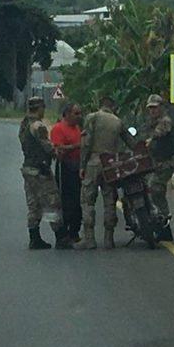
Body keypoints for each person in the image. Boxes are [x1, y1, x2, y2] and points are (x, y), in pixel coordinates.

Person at [75, 96, 135, 250]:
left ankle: (89, 239)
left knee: (88, 200)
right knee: (110, 201)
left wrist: (82, 165)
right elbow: (130, 142)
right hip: (111, 164)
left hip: (94, 162)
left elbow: (86, 143)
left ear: (100, 105)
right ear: (113, 107)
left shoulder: (92, 118)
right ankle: (109, 239)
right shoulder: (118, 121)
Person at [18, 97, 72, 250]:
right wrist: (57, 152)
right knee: (52, 202)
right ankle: (60, 236)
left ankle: (34, 237)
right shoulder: (38, 126)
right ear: (40, 108)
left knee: (33, 204)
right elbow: (47, 146)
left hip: (28, 168)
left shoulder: (24, 124)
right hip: (40, 170)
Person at [144, 94, 174, 242]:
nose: (152, 111)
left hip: (164, 164)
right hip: (154, 163)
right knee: (150, 191)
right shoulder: (152, 122)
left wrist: (150, 140)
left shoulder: (165, 121)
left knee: (155, 189)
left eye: (155, 107)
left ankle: (164, 227)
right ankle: (159, 226)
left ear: (161, 107)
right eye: (150, 108)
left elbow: (158, 134)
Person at [50, 102, 83, 243]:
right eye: (76, 113)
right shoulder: (58, 128)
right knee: (66, 201)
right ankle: (63, 233)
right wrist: (75, 146)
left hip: (78, 166)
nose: (79, 116)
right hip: (65, 168)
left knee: (78, 200)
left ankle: (74, 232)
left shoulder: (77, 128)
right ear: (67, 114)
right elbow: (58, 151)